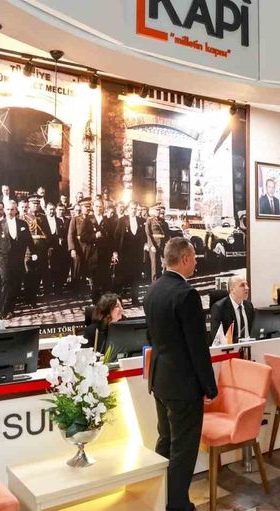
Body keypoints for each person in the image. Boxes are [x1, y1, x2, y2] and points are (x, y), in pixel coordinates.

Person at [144, 237, 217, 511]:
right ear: (185, 259)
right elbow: (197, 347)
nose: (196, 262)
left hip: (160, 380)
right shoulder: (186, 294)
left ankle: (160, 496)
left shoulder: (153, 290)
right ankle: (177, 504)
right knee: (183, 449)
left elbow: (153, 337)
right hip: (183, 386)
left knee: (165, 441)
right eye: (194, 258)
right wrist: (209, 387)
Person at [0, 200, 31, 319]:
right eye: (7, 209)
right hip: (3, 257)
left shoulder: (22, 224)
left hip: (18, 257)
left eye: (12, 209)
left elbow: (29, 240)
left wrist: (34, 253)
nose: (10, 211)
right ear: (4, 210)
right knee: (6, 281)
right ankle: (3, 310)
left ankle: (10, 309)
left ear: (16, 210)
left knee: (16, 283)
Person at [116, 201, 146, 306]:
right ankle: (119, 300)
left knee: (136, 277)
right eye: (132, 208)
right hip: (125, 253)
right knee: (122, 277)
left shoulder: (141, 221)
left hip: (136, 254)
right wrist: (116, 252)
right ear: (128, 209)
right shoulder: (122, 220)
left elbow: (143, 236)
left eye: (135, 209)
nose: (133, 211)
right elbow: (117, 236)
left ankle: (135, 299)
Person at [209, 275, 255, 343]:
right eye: (242, 285)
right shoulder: (219, 308)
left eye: (247, 284)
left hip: (250, 346)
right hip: (230, 348)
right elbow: (217, 338)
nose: (247, 288)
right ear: (232, 289)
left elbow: (254, 330)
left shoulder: (249, 305)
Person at [42, 202, 68, 295]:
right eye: (50, 209)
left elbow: (62, 234)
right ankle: (47, 289)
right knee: (45, 269)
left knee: (57, 268)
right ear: (46, 210)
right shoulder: (42, 221)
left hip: (57, 248)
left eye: (53, 209)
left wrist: (61, 239)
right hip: (45, 247)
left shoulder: (59, 221)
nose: (52, 211)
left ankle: (58, 289)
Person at [145, 204, 171, 281]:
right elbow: (148, 234)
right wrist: (151, 245)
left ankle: (163, 280)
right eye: (157, 210)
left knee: (164, 263)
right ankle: (155, 282)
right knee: (155, 264)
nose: (158, 212)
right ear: (153, 211)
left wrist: (167, 243)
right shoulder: (149, 220)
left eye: (159, 210)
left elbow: (166, 234)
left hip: (163, 244)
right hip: (154, 244)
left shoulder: (163, 222)